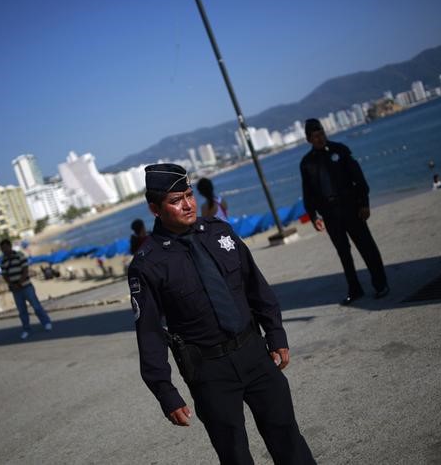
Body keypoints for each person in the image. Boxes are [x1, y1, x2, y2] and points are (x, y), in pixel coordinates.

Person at [128, 163, 315, 464]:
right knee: (235, 456)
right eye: (176, 200)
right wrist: (166, 392)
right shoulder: (147, 264)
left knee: (288, 439)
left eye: (188, 195)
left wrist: (276, 333)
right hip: (209, 373)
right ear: (155, 208)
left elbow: (256, 287)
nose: (188, 205)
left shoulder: (219, 232)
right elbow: (149, 334)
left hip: (254, 352)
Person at [300, 118, 390, 305]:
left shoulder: (340, 150)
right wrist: (313, 216)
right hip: (330, 214)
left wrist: (364, 203)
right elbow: (307, 193)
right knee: (344, 253)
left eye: (322, 134)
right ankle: (355, 289)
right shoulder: (306, 163)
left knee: (367, 247)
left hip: (351, 208)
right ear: (308, 139)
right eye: (315, 136)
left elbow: (358, 178)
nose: (320, 138)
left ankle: (381, 285)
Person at [0, 239, 52, 340]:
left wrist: (19, 282)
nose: (4, 250)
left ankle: (46, 322)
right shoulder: (3, 261)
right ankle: (26, 329)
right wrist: (12, 284)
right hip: (15, 290)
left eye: (5, 248)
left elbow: (25, 270)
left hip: (26, 286)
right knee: (22, 311)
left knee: (36, 306)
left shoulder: (19, 255)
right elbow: (5, 275)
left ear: (10, 246)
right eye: (2, 249)